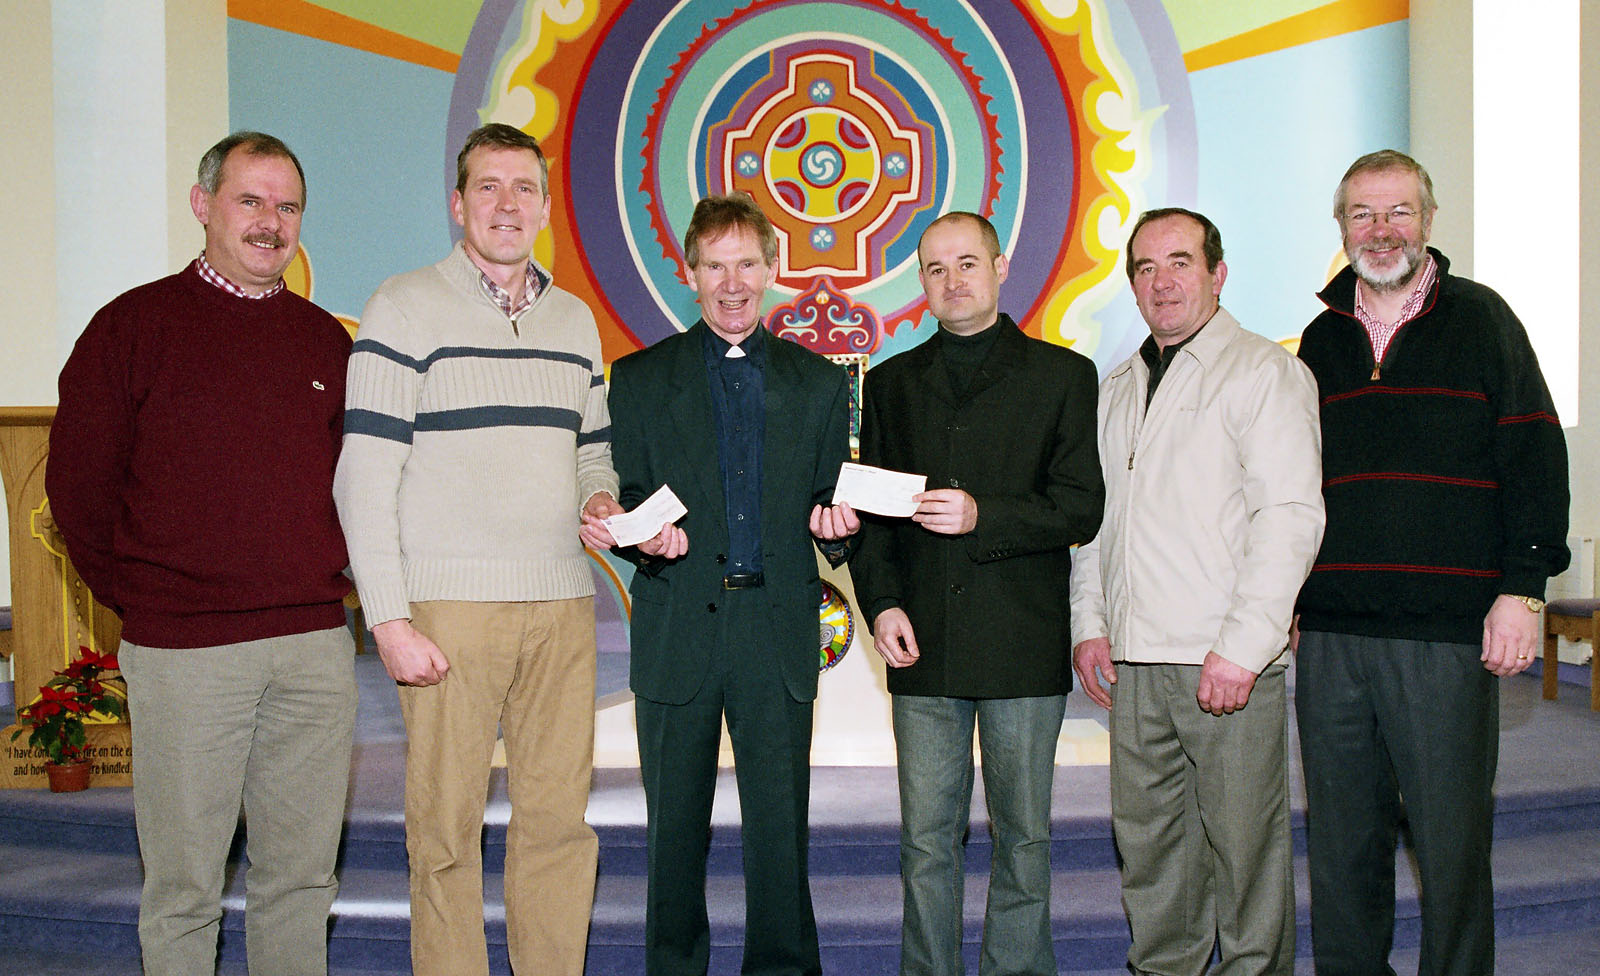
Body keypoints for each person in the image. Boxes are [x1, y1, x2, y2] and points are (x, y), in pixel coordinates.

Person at [47, 131, 356, 975]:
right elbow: (77, 492)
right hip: (185, 652)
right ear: (203, 204)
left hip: (313, 650)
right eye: (249, 200)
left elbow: (355, 492)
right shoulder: (131, 328)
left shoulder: (327, 342)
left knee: (301, 879)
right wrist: (151, 603)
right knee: (184, 887)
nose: (270, 223)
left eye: (287, 206)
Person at [333, 123, 619, 976]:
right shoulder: (403, 305)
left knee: (558, 828)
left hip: (564, 605)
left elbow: (591, 451)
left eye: (523, 188)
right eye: (487, 187)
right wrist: (387, 619)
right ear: (457, 204)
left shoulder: (573, 321)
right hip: (448, 611)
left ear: (542, 208)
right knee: (445, 832)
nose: (507, 204)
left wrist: (597, 496)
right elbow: (362, 478)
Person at [1294, 150, 1570, 976]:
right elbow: (1298, 487)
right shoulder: (1318, 339)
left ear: (1428, 220)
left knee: (1452, 848)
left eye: (1399, 212)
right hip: (1335, 635)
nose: (1381, 231)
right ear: (1341, 228)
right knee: (1343, 846)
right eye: (1363, 215)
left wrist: (1523, 590)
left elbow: (1535, 461)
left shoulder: (1484, 321)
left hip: (1448, 636)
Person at [586, 193, 859, 976]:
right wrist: (644, 537)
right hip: (679, 628)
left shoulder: (816, 382)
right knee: (674, 836)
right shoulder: (637, 380)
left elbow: (826, 496)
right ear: (689, 274)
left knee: (780, 832)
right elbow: (628, 496)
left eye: (747, 264)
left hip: (775, 632)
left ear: (773, 271)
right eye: (714, 266)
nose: (732, 283)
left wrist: (837, 523)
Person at [1068, 208, 1325, 976]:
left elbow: (1289, 518)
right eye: (1145, 268)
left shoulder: (1264, 371)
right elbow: (1096, 522)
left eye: (1179, 262)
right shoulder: (1118, 385)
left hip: (1224, 665)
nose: (1162, 281)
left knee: (1245, 858)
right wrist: (1091, 622)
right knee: (1152, 859)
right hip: (1136, 666)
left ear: (1217, 273)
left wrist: (1245, 648)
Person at [848, 211, 1104, 976]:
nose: (952, 281)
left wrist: (982, 514)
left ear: (1000, 266)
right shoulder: (890, 383)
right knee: (926, 840)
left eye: (967, 263)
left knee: (1025, 836)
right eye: (935, 269)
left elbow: (1080, 506)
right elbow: (871, 517)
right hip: (920, 639)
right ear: (920, 283)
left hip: (1021, 644)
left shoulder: (1063, 375)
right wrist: (882, 604)